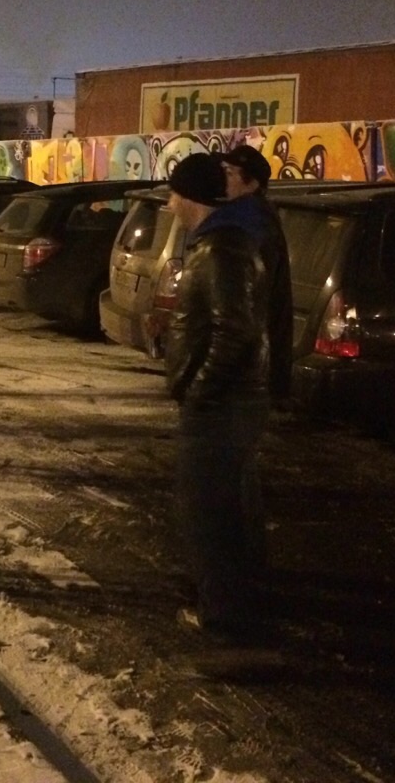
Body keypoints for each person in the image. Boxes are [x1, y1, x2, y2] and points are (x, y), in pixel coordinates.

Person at [163, 152, 271, 641]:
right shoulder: (221, 242)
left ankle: (223, 615)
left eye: (173, 195)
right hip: (230, 403)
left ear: (190, 197)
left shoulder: (222, 249)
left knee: (209, 512)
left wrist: (199, 389)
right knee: (231, 506)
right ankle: (238, 599)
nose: (169, 205)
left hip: (221, 407)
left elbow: (235, 330)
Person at [219, 145, 294, 405]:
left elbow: (251, 300)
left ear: (251, 182)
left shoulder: (254, 225)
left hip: (250, 370)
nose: (224, 180)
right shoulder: (251, 218)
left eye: (230, 173)